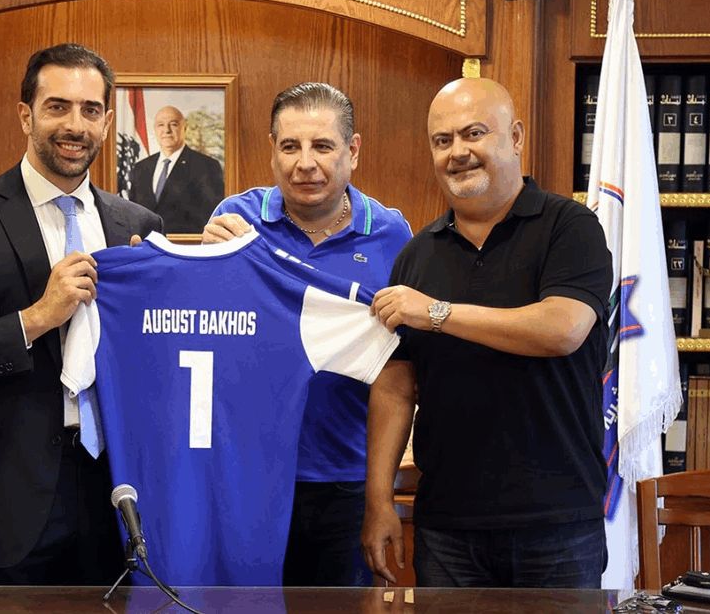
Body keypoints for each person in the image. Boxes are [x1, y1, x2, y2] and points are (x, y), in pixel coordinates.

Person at [0, 43, 162, 585]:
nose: (75, 125)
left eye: (90, 110)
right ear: (26, 115)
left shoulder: (138, 225)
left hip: (115, 495)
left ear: (107, 121)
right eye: (57, 107)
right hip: (1, 502)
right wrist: (36, 317)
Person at [361, 78, 613, 588]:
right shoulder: (416, 256)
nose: (458, 152)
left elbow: (562, 329)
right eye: (442, 140)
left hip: (558, 525)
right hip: (447, 529)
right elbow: (395, 389)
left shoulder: (570, 227)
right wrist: (378, 501)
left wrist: (436, 312)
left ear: (515, 137)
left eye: (474, 133)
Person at [203, 82, 412, 586]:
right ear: (271, 150)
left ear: (352, 150)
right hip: (247, 477)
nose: (305, 163)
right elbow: (203, 332)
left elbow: (401, 369)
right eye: (290, 146)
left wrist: (380, 497)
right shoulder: (233, 220)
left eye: (322, 146)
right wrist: (206, 266)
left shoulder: (393, 235)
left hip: (348, 480)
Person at [128, 105, 225, 233]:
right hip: (145, 243)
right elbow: (133, 213)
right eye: (161, 125)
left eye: (173, 124)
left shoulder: (206, 166)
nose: (166, 130)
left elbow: (211, 217)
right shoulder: (141, 168)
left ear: (185, 128)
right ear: (155, 130)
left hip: (185, 244)